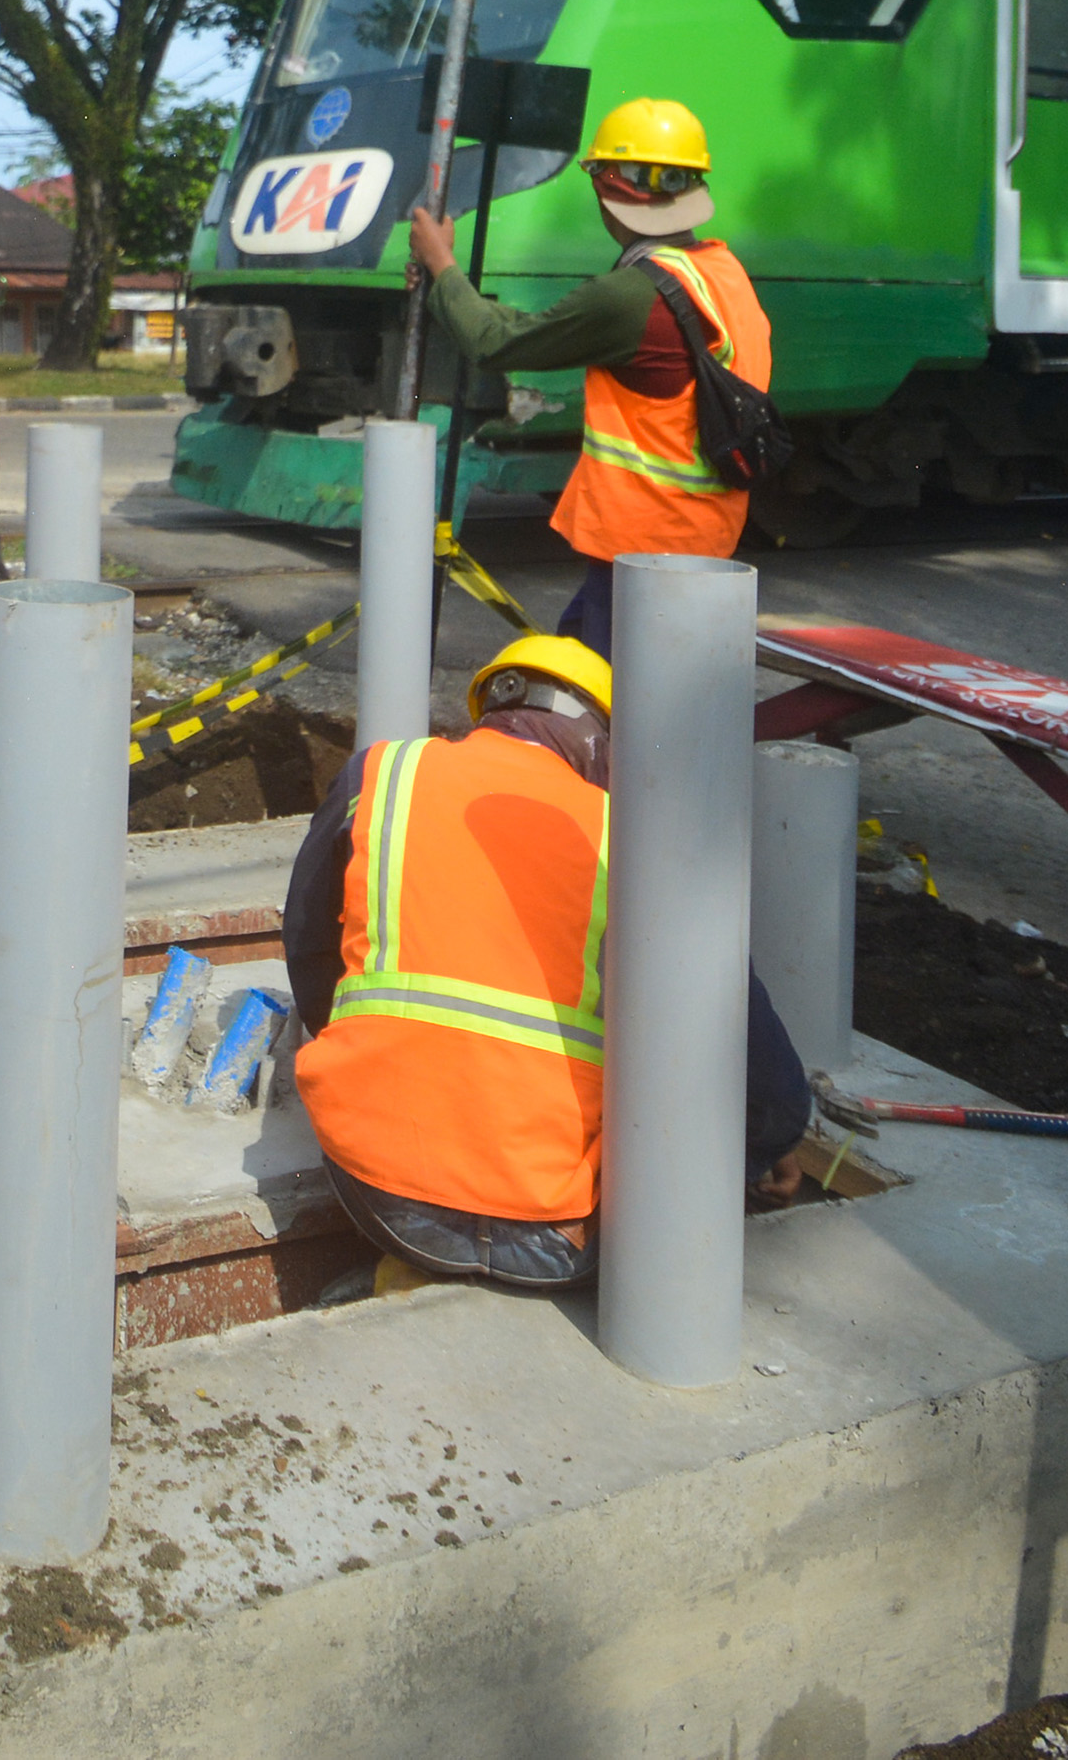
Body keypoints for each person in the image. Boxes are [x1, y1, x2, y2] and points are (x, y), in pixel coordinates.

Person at [282, 633, 814, 1290]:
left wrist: (371, 1053)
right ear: (601, 742)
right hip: (553, 1230)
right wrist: (763, 1152)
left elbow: (308, 943)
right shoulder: (635, 836)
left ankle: (403, 1276)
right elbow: (769, 1084)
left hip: (375, 1182)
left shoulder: (384, 773)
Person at [404, 96, 772, 655]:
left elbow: (495, 343)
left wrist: (441, 266)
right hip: (702, 533)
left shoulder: (630, 295)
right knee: (590, 669)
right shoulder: (721, 271)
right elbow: (536, 329)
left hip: (642, 544)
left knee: (605, 706)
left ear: (606, 189)